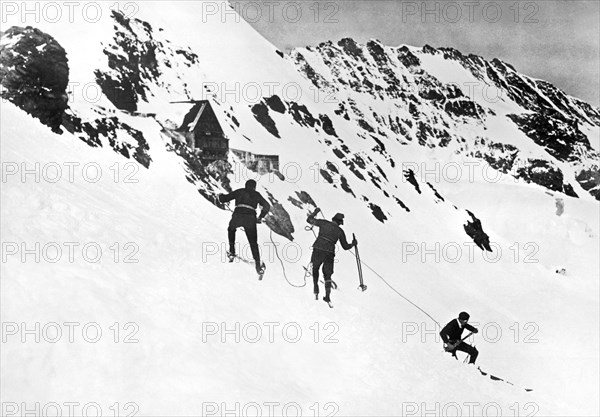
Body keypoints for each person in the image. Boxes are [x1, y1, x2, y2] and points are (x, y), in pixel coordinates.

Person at [219, 180, 270, 274]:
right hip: (250, 218)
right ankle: (258, 266)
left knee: (231, 229)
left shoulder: (240, 191)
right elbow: (267, 206)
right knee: (253, 242)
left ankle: (232, 252)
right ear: (254, 187)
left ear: (246, 185)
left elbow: (224, 199)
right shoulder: (257, 194)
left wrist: (220, 196)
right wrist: (260, 217)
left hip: (238, 215)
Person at [307, 208, 356, 304]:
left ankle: (316, 288)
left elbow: (309, 220)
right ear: (340, 222)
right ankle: (327, 296)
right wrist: (353, 244)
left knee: (315, 268)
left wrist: (315, 212)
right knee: (327, 274)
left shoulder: (324, 223)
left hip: (318, 248)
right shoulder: (340, 231)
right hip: (329, 252)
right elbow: (345, 247)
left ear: (333, 219)